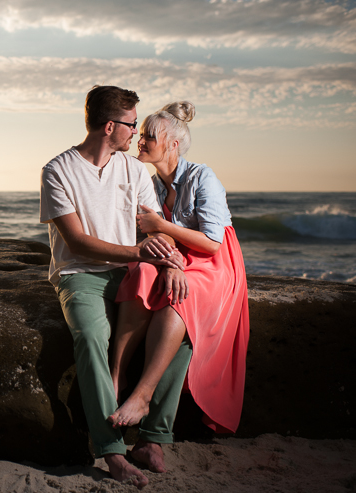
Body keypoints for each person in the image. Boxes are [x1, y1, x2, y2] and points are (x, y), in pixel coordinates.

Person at [40, 85, 192, 489]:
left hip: (133, 274)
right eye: (131, 124)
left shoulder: (132, 170)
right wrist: (138, 253)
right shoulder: (58, 170)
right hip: (81, 275)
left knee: (183, 328)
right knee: (91, 336)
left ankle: (153, 436)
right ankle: (111, 450)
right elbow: (76, 242)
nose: (136, 133)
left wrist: (171, 260)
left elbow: (157, 228)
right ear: (111, 126)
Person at [108, 101, 250, 472]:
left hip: (214, 264)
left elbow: (213, 243)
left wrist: (164, 230)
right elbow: (153, 235)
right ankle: (115, 383)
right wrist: (172, 262)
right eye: (140, 135)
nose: (141, 141)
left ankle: (142, 398)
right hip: (179, 257)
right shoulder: (152, 182)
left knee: (179, 305)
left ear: (172, 144)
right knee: (139, 274)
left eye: (148, 136)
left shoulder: (203, 177)